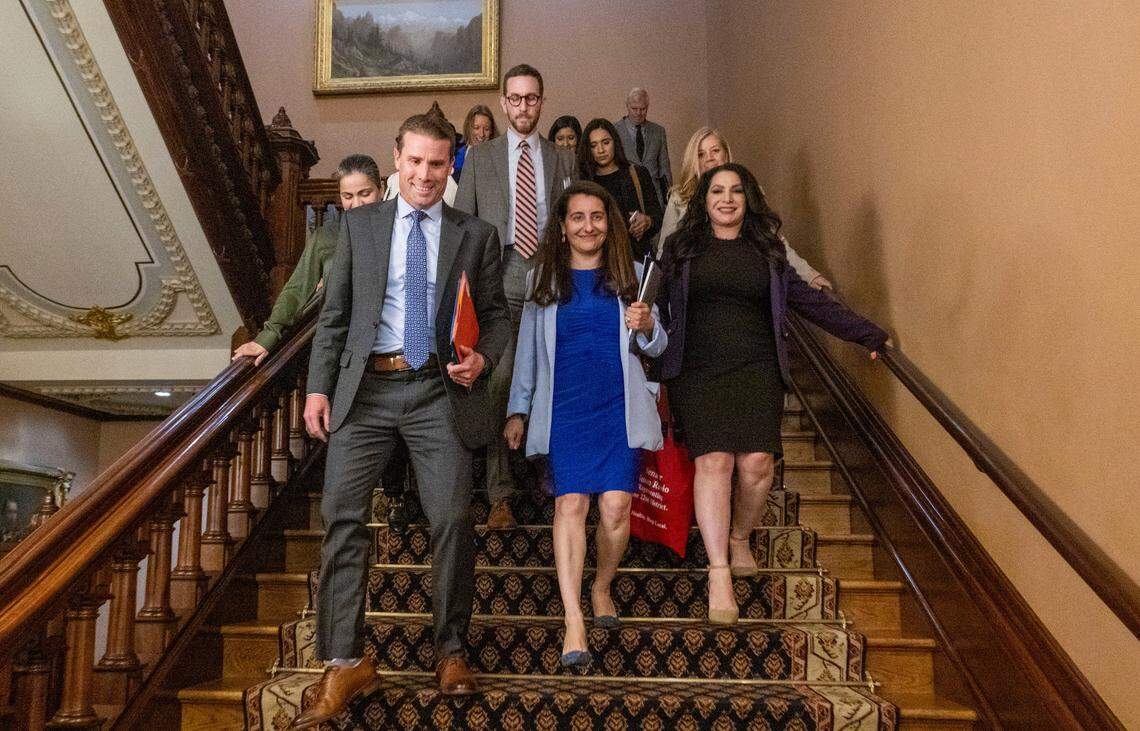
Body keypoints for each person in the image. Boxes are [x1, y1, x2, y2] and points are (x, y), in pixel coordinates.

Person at [289, 113, 511, 729]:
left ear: (451, 167)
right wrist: (317, 389)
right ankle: (343, 662)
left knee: (453, 518)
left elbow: (495, 317)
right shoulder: (359, 226)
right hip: (365, 394)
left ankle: (450, 650)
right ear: (397, 159)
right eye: (414, 162)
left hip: (438, 392)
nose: (424, 175)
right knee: (342, 518)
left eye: (437, 163)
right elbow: (333, 319)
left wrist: (482, 357)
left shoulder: (476, 235)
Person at [658, 163, 889, 626]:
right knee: (714, 461)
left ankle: (741, 535)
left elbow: (808, 301)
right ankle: (719, 568)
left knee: (757, 464)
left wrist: (869, 335)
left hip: (757, 369)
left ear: (748, 200)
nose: (727, 199)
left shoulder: (768, 252)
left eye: (736, 191)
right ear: (703, 199)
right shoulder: (681, 248)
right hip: (699, 372)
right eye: (717, 191)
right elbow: (647, 297)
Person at [504, 181, 666, 667]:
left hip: (618, 408)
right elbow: (528, 354)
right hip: (566, 410)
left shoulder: (633, 276)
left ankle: (601, 586)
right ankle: (574, 619)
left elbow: (659, 348)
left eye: (597, 216)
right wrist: (519, 408)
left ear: (609, 223)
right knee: (571, 504)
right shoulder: (543, 281)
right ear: (563, 226)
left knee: (616, 508)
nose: (588, 226)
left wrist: (649, 327)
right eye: (577, 217)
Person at [454, 63, 578, 530]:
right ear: (504, 102)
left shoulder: (562, 159)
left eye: (532, 98)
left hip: (548, 279)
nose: (523, 106)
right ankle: (500, 493)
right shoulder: (480, 157)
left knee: (549, 379)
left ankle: (550, 483)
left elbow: (573, 221)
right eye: (516, 98)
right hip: (498, 278)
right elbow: (463, 225)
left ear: (541, 103)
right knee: (500, 381)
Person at [232, 154, 381, 366]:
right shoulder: (326, 237)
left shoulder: (399, 230)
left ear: (380, 190)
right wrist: (268, 336)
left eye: (365, 193)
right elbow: (296, 289)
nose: (356, 204)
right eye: (348, 196)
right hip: (344, 351)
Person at [659, 127, 831, 289]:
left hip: (745, 281)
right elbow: (663, 253)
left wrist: (809, 275)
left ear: (726, 154)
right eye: (701, 154)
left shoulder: (749, 191)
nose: (709, 158)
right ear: (694, 161)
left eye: (715, 151)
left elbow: (774, 241)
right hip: (696, 287)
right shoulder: (679, 198)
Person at [578, 118, 662, 259]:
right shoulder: (585, 183)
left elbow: (658, 218)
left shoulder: (637, 174)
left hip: (637, 259)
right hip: (600, 261)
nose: (601, 150)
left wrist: (647, 222)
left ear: (615, 143)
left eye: (606, 142)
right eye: (594, 145)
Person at [613, 87, 671, 205]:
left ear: (648, 107)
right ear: (627, 106)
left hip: (655, 197)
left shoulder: (658, 131)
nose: (639, 113)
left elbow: (664, 168)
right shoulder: (614, 131)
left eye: (643, 109)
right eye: (634, 109)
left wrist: (669, 199)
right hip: (626, 195)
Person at [454, 104, 498, 181]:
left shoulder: (499, 158)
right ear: (469, 128)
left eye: (487, 129)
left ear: (492, 131)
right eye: (476, 128)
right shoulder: (455, 157)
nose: (481, 134)